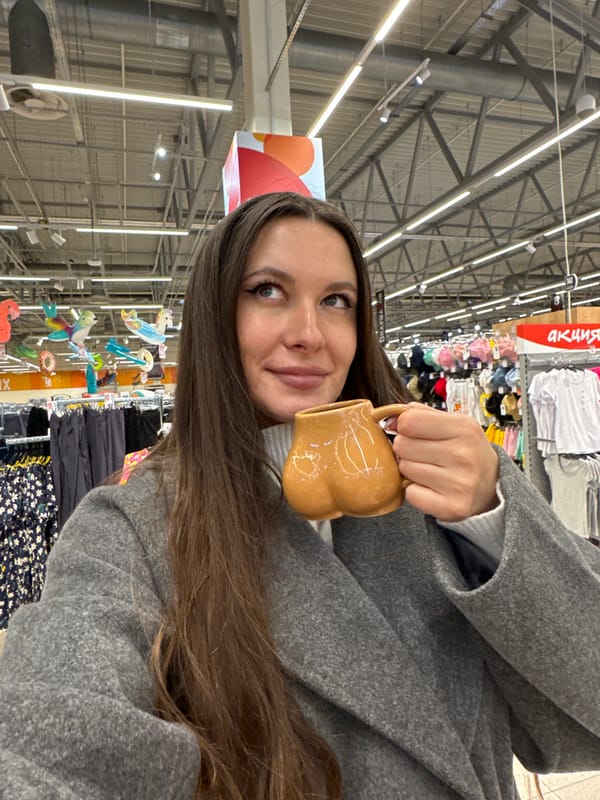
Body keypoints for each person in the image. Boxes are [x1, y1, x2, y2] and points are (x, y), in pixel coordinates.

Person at [0, 191, 599, 800]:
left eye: (336, 301)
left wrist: (492, 521)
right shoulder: (133, 527)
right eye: (267, 291)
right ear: (216, 317)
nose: (310, 333)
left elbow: (583, 715)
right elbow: (55, 731)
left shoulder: (444, 482)